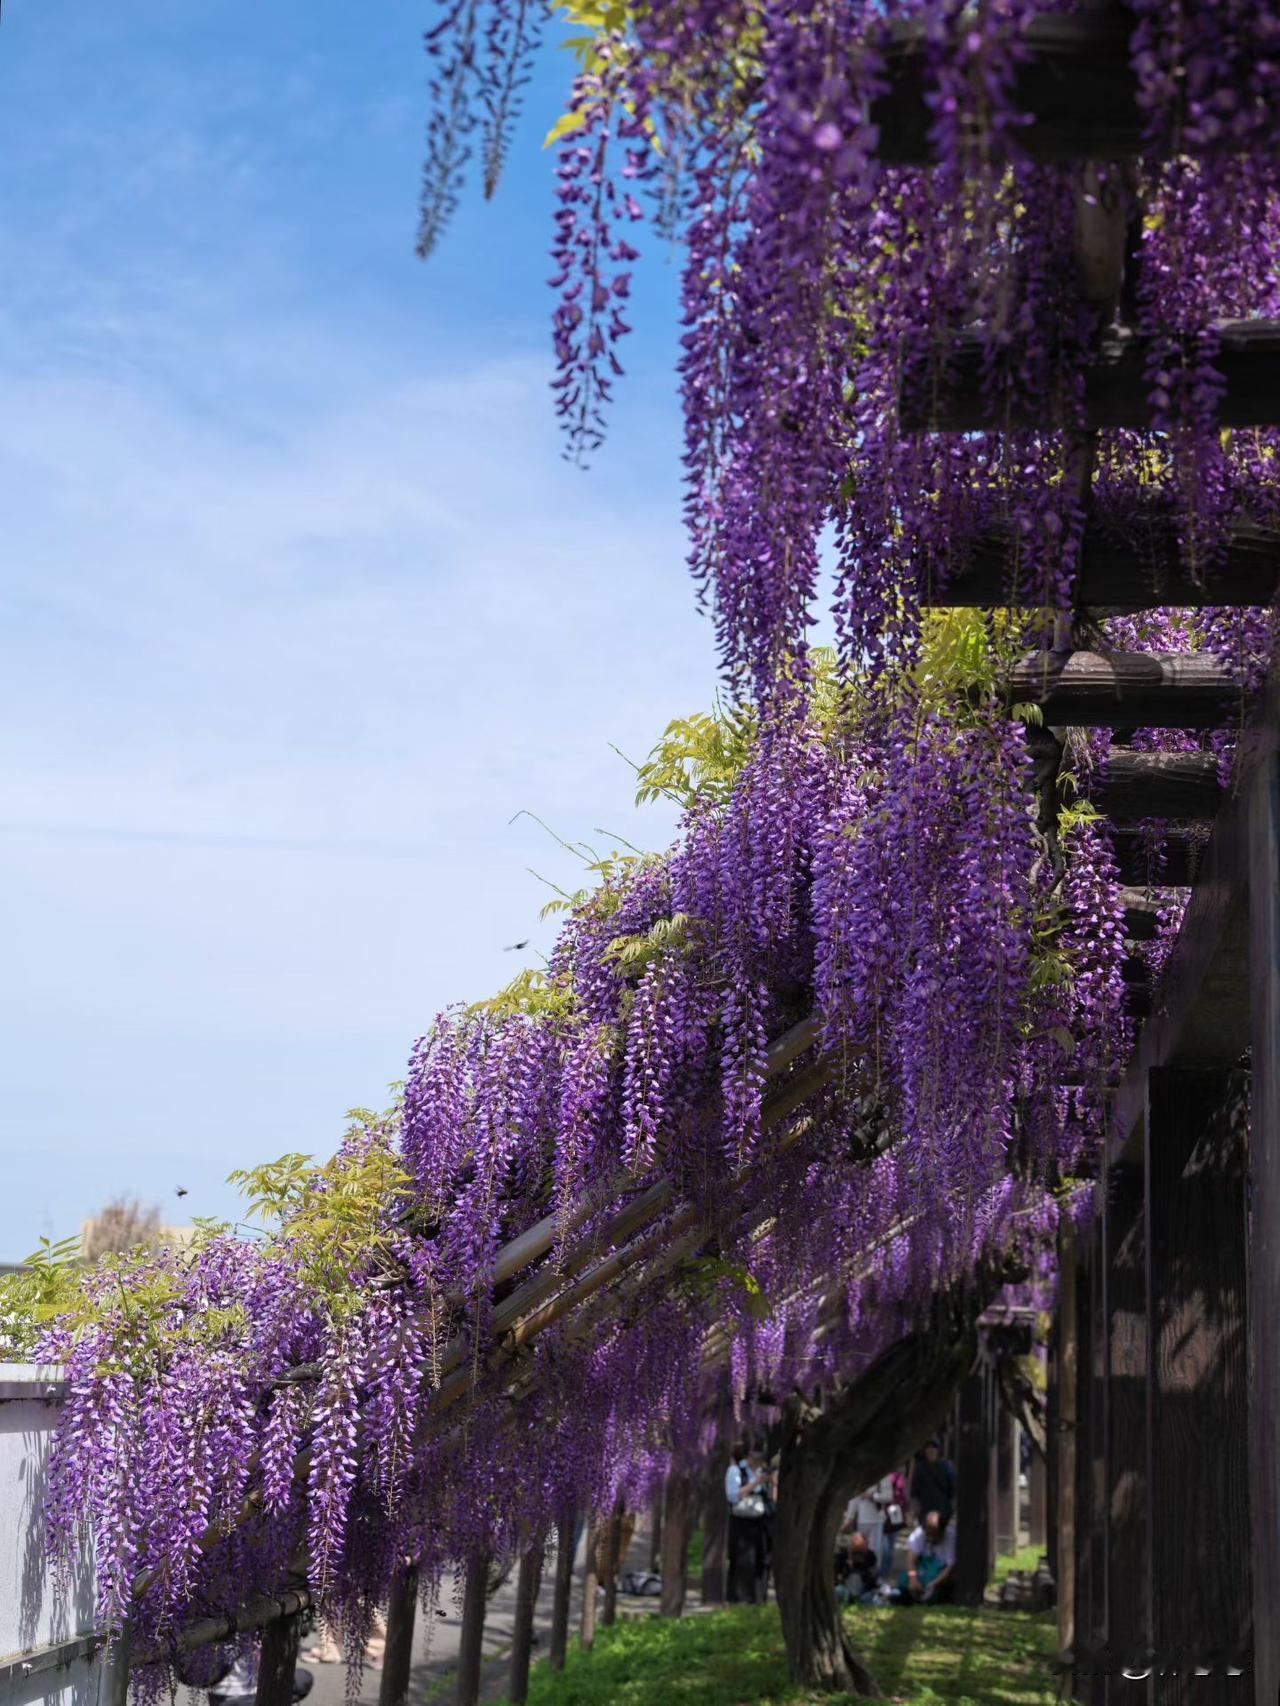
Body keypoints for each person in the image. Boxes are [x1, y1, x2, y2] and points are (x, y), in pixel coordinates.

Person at [725, 1444, 769, 1604]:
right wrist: (756, 1483)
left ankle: (757, 1597)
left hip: (759, 1520)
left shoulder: (762, 1471)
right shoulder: (735, 1470)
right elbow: (732, 1496)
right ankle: (739, 1597)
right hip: (741, 1520)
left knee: (760, 1556)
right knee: (742, 1558)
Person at [894, 1510, 956, 1606]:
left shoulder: (951, 1536)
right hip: (924, 1567)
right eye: (928, 1532)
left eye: (934, 1533)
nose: (930, 1536)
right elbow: (911, 1559)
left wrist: (934, 1584)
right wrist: (913, 1578)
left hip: (940, 1572)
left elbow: (950, 1566)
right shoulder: (919, 1534)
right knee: (904, 1580)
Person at [909, 1438, 956, 1526]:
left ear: (938, 1450)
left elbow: (954, 1488)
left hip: (943, 1512)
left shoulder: (946, 1466)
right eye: (928, 1448)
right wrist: (913, 1510)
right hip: (925, 1513)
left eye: (933, 1447)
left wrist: (951, 1507)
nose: (930, 1450)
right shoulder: (920, 1468)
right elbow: (915, 1492)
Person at [835, 1530, 880, 1605]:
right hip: (846, 1590)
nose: (857, 1555)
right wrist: (848, 1567)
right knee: (838, 1590)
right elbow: (837, 1578)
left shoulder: (871, 1557)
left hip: (863, 1591)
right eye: (855, 1552)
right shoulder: (842, 1557)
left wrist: (862, 1568)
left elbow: (872, 1580)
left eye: (860, 1552)